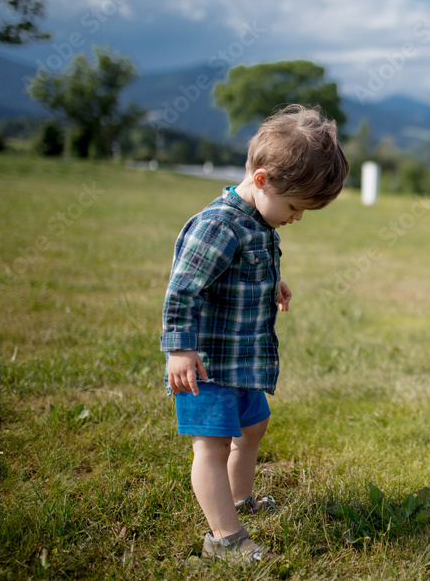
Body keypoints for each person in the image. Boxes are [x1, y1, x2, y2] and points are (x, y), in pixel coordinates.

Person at [160, 104, 349, 565]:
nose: (296, 218)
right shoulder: (217, 225)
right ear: (261, 180)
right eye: (294, 207)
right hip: (207, 365)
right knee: (212, 445)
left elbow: (250, 264)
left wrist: (272, 283)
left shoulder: (257, 220)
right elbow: (183, 290)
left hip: (240, 362)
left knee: (254, 424)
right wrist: (180, 349)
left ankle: (239, 499)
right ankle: (223, 537)